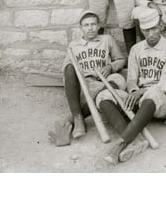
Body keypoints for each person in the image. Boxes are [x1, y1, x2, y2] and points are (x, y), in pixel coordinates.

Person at [101, 7, 166, 164]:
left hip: (160, 100)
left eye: (154, 29)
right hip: (139, 96)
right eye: (146, 30)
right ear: (141, 30)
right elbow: (131, 79)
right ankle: (136, 139)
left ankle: (121, 143)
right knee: (104, 96)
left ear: (161, 26)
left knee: (152, 95)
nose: (150, 34)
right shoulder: (136, 49)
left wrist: (142, 92)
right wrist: (134, 91)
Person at [48, 10, 127, 146]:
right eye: (86, 25)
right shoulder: (74, 45)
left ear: (98, 26)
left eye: (93, 24)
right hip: (85, 84)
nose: (90, 28)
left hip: (104, 82)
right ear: (81, 28)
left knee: (119, 79)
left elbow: (121, 60)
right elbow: (66, 70)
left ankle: (70, 121)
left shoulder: (106, 40)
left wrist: (110, 67)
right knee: (69, 67)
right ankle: (78, 118)